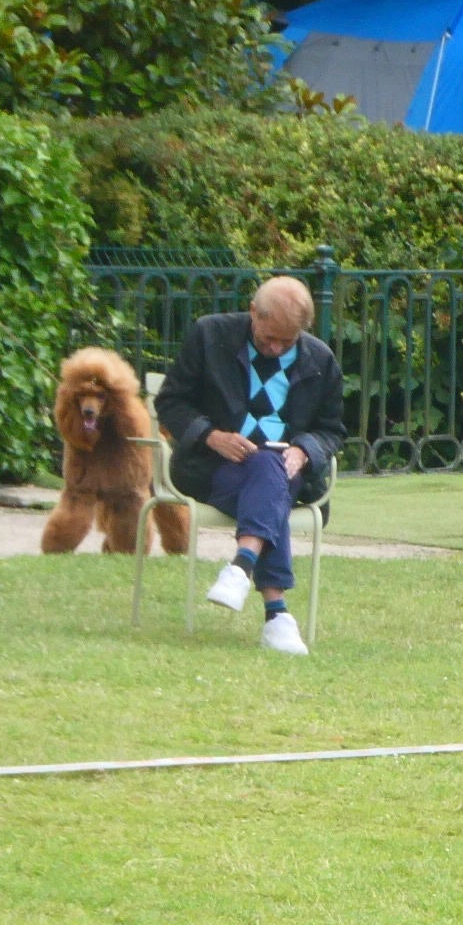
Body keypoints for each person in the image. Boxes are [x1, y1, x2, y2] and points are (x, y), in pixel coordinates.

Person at [154, 276, 345, 656]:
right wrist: (211, 436)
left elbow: (332, 430)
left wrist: (304, 451)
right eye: (268, 338)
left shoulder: (320, 359)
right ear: (253, 312)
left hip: (288, 473)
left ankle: (243, 569)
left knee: (270, 467)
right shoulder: (210, 335)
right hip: (213, 468)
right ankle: (275, 615)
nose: (275, 349)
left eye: (287, 343)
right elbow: (171, 403)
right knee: (266, 476)